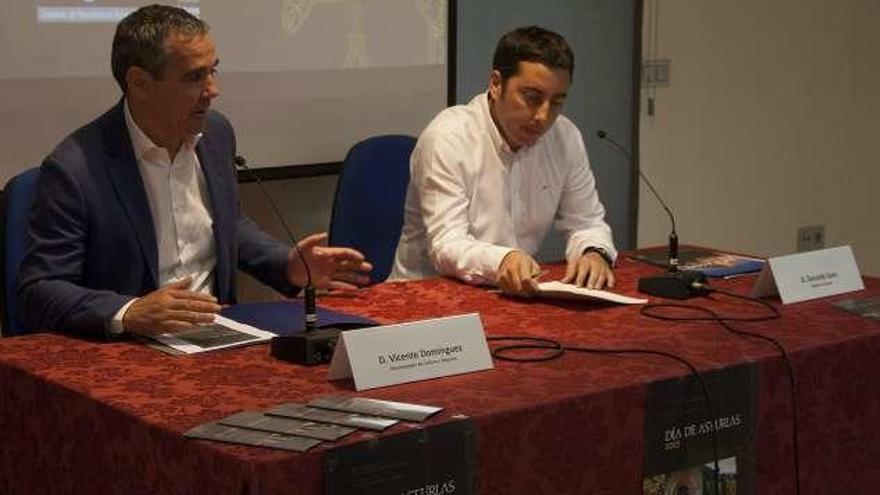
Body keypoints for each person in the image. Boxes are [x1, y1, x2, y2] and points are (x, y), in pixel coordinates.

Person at [15, 5, 371, 337]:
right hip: (131, 349)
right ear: (139, 83)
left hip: (218, 331)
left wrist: (287, 265)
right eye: (194, 77)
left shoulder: (215, 134)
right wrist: (129, 311)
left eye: (213, 70)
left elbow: (228, 226)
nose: (212, 90)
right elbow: (40, 290)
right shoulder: (76, 168)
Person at [390, 25, 616, 297]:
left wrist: (594, 252)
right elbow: (446, 245)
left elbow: (587, 222)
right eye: (532, 98)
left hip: (511, 297)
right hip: (423, 301)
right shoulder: (448, 136)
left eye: (556, 102)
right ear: (496, 84)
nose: (543, 116)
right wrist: (503, 259)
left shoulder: (564, 136)